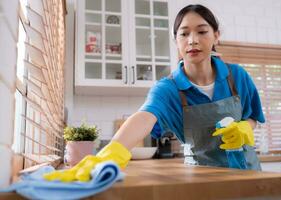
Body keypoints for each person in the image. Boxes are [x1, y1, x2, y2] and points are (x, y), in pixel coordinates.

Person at [44, 4, 265, 182]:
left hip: (248, 173)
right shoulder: (168, 89)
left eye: (202, 31)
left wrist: (246, 127)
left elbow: (252, 115)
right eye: (184, 33)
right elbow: (144, 118)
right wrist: (112, 152)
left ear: (216, 35)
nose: (193, 40)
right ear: (176, 41)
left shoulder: (236, 76)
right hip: (202, 178)